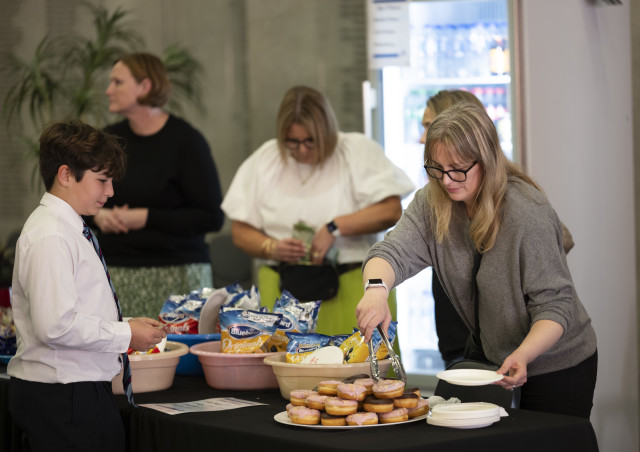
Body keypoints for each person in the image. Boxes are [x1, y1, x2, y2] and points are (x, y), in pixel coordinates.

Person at [356, 102, 597, 419]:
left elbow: (555, 305)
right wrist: (376, 289)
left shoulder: (527, 213)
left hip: (557, 364)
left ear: (487, 161)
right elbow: (391, 252)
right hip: (491, 355)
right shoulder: (433, 202)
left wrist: (523, 354)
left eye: (457, 169)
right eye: (436, 168)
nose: (446, 180)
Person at [8, 120, 168, 451]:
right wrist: (125, 335)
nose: (110, 192)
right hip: (63, 393)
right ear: (66, 175)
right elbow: (55, 326)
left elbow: (73, 310)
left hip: (73, 389)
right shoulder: (51, 234)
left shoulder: (69, 227)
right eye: (102, 180)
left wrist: (127, 325)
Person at [222, 85, 414, 337]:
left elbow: (390, 210)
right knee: (282, 360)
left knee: (359, 359)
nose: (302, 150)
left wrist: (334, 227)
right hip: (282, 291)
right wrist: (271, 247)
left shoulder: (355, 151)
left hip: (351, 284)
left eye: (311, 141)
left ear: (327, 132)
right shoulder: (266, 159)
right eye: (293, 142)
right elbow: (240, 230)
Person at [420, 90, 576, 369]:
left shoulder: (523, 208)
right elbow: (396, 249)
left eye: (429, 126)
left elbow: (556, 293)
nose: (423, 138)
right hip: (475, 346)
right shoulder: (441, 197)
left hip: (537, 358)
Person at [90, 52, 224, 318]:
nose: (108, 90)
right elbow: (78, 199)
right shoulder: (108, 140)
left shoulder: (187, 142)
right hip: (117, 272)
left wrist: (144, 217)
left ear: (145, 86)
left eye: (118, 82)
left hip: (178, 274)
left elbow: (211, 217)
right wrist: (98, 216)